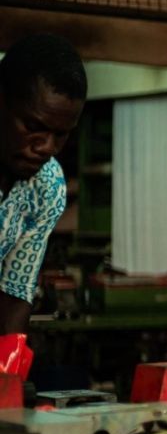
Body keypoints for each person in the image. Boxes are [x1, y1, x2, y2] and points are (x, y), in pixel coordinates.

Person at [0, 33, 86, 335]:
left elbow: (16, 291)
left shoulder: (47, 185)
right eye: (33, 126)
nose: (47, 147)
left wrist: (10, 362)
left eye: (61, 134)